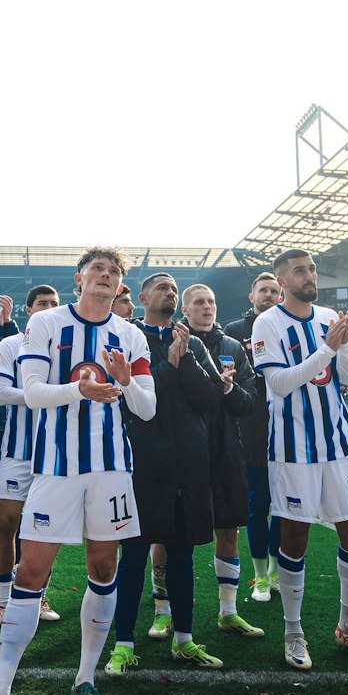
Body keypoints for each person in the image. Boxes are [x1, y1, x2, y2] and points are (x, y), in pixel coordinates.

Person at [0, 246, 156, 695]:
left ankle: (85, 680)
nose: (104, 276)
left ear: (120, 285)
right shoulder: (46, 325)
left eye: (113, 272)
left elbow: (147, 409)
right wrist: (78, 391)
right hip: (55, 469)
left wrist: (127, 382)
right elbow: (33, 392)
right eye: (97, 269)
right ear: (79, 278)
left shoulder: (130, 334)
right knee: (31, 569)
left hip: (111, 469)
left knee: (104, 567)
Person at [251, 248, 348, 671]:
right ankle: (293, 631)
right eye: (299, 270)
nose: (309, 275)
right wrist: (328, 350)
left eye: (311, 269)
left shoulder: (329, 316)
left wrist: (342, 348)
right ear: (283, 280)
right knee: (294, 538)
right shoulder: (268, 322)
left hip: (339, 444)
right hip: (293, 449)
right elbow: (279, 383)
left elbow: (347, 377)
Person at [105, 273, 227, 674]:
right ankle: (123, 644)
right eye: (162, 288)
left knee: (182, 556)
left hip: (188, 463)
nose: (170, 294)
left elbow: (212, 399)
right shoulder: (127, 337)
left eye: (174, 290)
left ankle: (185, 640)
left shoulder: (190, 341)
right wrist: (170, 366)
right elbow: (132, 396)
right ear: (142, 297)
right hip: (143, 463)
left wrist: (185, 359)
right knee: (134, 555)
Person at [183, 282, 264, 639]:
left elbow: (250, 401)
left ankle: (228, 612)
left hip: (228, 448)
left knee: (228, 529)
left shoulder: (232, 347)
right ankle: (163, 610)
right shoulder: (177, 342)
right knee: (171, 535)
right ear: (185, 310)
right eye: (199, 302)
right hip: (184, 449)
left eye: (211, 301)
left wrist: (228, 387)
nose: (207, 307)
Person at [0, 284, 62, 630]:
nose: (47, 308)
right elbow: (0, 394)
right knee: (8, 523)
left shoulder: (64, 345)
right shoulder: (10, 345)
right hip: (17, 451)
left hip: (56, 453)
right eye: (41, 303)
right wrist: (43, 393)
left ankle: (37, 596)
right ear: (29, 310)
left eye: (53, 304)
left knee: (45, 528)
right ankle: (0, 604)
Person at [226, 271, 281, 600]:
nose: (270, 295)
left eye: (275, 290)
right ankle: (260, 576)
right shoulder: (236, 332)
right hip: (252, 431)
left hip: (287, 429)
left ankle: (275, 571)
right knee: (257, 506)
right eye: (264, 290)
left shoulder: (287, 325)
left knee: (286, 509)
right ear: (252, 296)